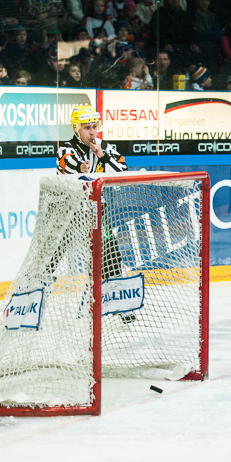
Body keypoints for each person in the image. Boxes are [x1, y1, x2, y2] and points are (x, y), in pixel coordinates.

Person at [54, 104, 134, 323]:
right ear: (75, 128)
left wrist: (104, 156)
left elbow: (123, 169)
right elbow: (65, 164)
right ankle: (33, 299)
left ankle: (121, 305)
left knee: (111, 256)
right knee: (51, 257)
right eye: (87, 127)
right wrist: (81, 167)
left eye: (95, 127)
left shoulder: (104, 147)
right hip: (67, 213)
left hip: (96, 212)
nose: (92, 132)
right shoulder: (67, 148)